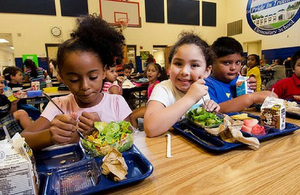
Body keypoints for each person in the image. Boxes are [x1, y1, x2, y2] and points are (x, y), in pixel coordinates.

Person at [21, 15, 131, 150]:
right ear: (62, 77)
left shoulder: (116, 103)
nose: (85, 86)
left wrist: (101, 129)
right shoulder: (58, 105)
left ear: (104, 72)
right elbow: (22, 140)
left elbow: (130, 136)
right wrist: (50, 135)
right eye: (74, 80)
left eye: (93, 77)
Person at [144, 32, 219, 137]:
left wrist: (210, 108)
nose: (185, 71)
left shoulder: (201, 89)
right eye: (178, 64)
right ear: (169, 67)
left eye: (194, 65)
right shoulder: (163, 89)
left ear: (207, 71)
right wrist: (190, 98)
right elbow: (150, 128)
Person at [205, 37, 275, 113]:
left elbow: (248, 109)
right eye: (226, 63)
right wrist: (250, 98)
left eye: (238, 62)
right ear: (211, 63)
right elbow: (215, 111)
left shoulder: (240, 81)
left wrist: (251, 90)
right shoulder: (206, 85)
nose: (233, 67)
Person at [130, 63, 168, 129]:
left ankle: (136, 135)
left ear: (158, 74)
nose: (150, 73)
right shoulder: (150, 83)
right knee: (132, 112)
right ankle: (136, 129)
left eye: (153, 71)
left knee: (132, 116)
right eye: (148, 70)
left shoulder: (156, 85)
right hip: (148, 106)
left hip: (153, 109)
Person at [0, 76, 32, 140]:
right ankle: (33, 138)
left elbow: (11, 114)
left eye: (2, 82)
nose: (1, 85)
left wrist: (14, 104)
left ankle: (30, 136)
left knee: (25, 114)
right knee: (22, 113)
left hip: (5, 122)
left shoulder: (3, 97)